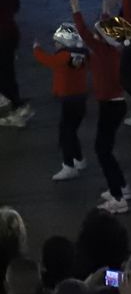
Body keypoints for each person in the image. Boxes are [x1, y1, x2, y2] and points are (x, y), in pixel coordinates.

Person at [31, 17, 88, 183]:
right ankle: (79, 159)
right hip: (80, 99)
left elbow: (47, 60)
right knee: (71, 130)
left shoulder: (63, 57)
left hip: (68, 100)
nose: (55, 45)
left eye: (57, 41)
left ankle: (68, 166)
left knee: (66, 134)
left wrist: (36, 48)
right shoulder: (82, 56)